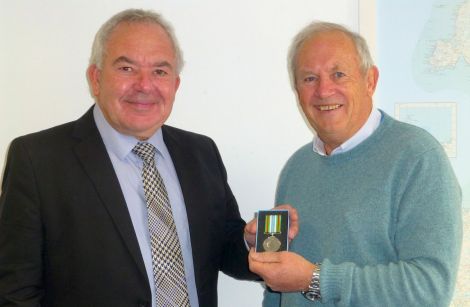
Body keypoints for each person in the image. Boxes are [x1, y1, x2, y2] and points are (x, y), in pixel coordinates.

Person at [0, 8, 282, 307]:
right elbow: (15, 293)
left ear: (175, 85)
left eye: (160, 71)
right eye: (127, 68)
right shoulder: (37, 160)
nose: (145, 85)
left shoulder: (201, 153)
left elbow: (225, 247)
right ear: (95, 79)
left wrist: (253, 244)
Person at [247, 21, 462, 306]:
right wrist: (264, 253)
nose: (324, 91)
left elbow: (430, 288)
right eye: (309, 78)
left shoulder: (418, 158)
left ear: (370, 80)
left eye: (338, 74)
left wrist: (314, 278)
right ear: (297, 91)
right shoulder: (296, 168)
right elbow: (279, 294)